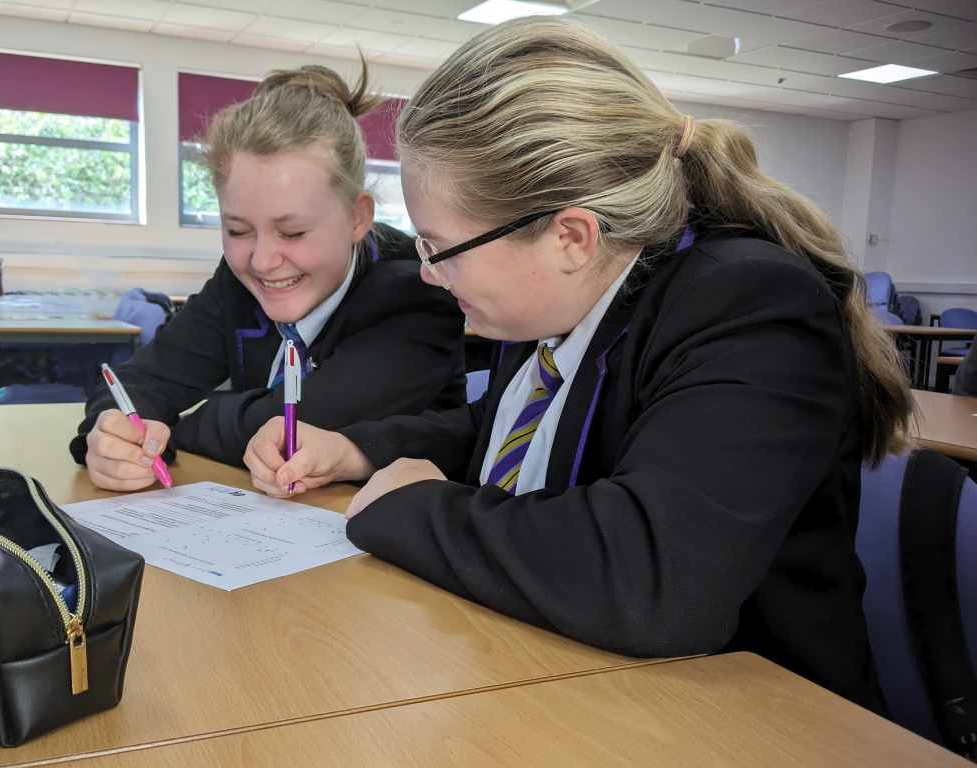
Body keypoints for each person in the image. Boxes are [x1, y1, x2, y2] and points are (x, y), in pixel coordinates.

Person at [244, 19, 913, 712]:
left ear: (569, 235)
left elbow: (653, 579)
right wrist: (357, 448)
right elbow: (505, 429)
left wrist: (411, 508)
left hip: (747, 716)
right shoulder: (551, 296)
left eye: (442, 249)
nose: (429, 274)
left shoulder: (751, 304)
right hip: (575, 680)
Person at [71, 64, 465, 489]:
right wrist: (113, 432)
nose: (261, 261)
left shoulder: (417, 294)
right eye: (238, 231)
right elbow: (141, 379)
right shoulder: (237, 280)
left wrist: (176, 426)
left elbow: (291, 424)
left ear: (357, 217)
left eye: (292, 232)